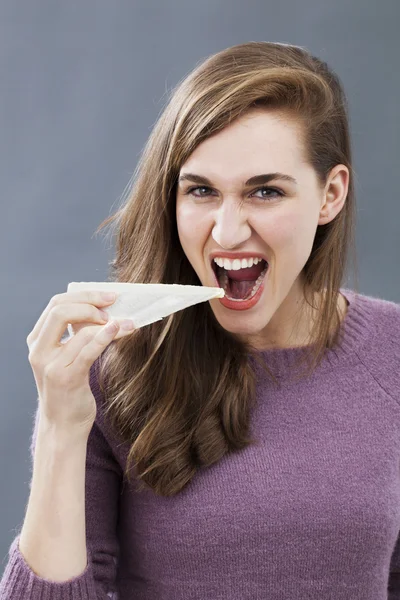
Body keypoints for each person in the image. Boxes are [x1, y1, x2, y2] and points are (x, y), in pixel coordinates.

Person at [1, 41, 399, 600]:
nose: (228, 230)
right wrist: (60, 429)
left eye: (266, 191)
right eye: (202, 191)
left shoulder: (395, 355)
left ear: (330, 194)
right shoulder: (112, 370)